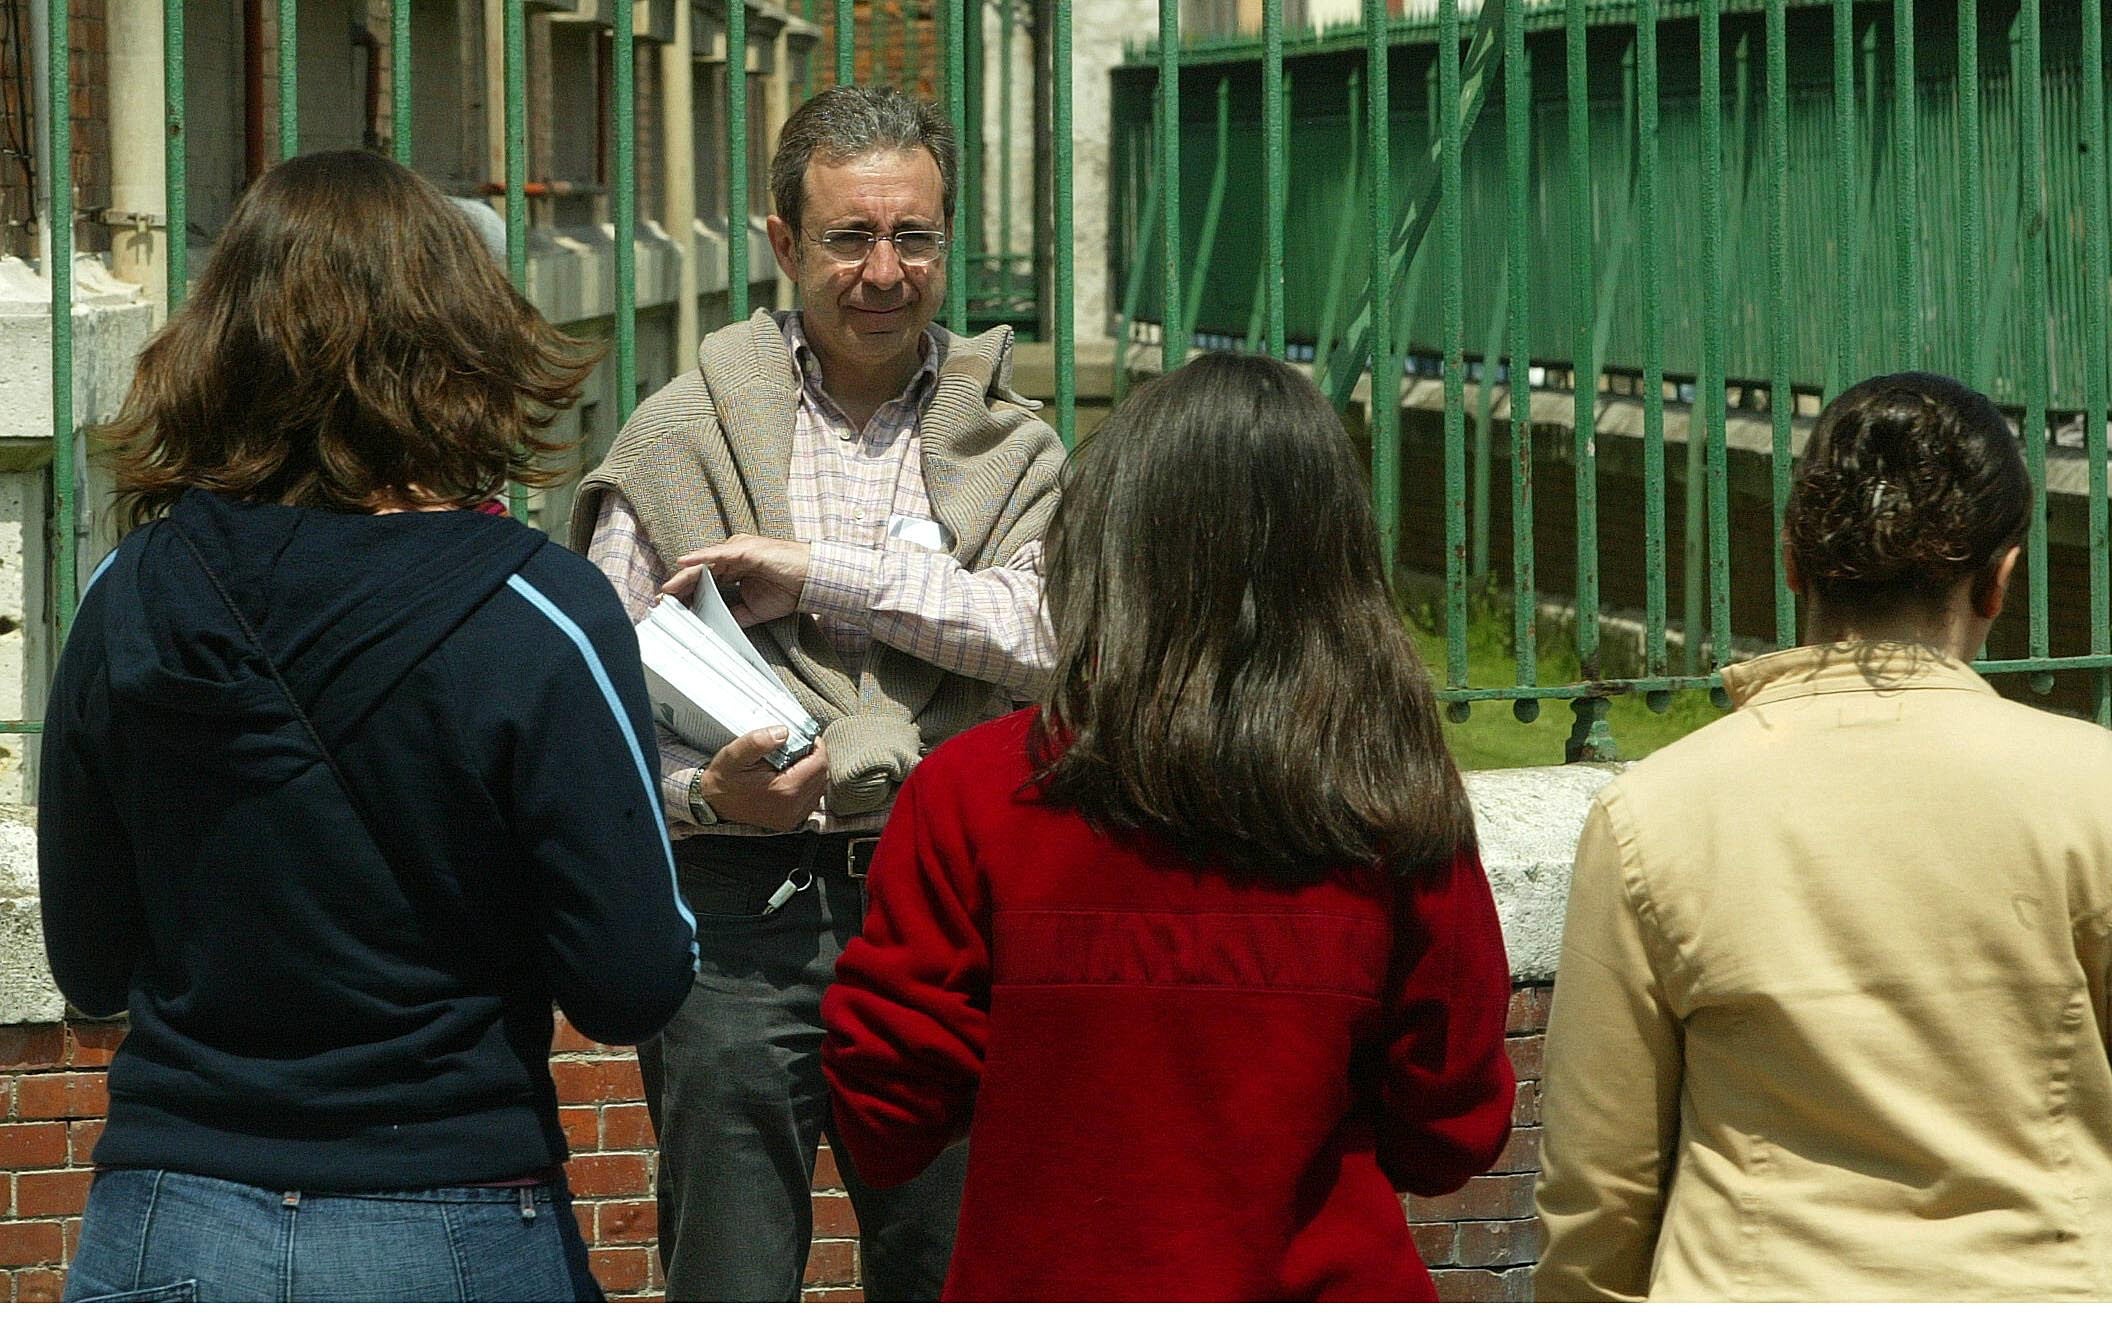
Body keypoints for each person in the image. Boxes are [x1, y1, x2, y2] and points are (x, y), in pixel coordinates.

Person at [40, 149, 699, 1303]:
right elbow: (634, 980)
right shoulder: (536, 613)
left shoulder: (127, 591)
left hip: (170, 1214)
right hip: (448, 1206)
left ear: (225, 339)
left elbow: (89, 963)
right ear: (459, 336)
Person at [819, 353, 1517, 1301]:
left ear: (1105, 542)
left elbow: (883, 1113)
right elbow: (1451, 1129)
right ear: (1338, 561)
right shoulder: (1391, 800)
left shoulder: (973, 796)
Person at [569, 84, 1063, 1302]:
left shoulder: (1018, 445)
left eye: (915, 238)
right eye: (850, 237)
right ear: (784, 242)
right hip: (740, 916)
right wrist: (705, 796)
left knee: (957, 1276)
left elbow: (1054, 636)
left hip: (955, 910)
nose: (884, 271)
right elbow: (600, 705)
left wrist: (817, 575)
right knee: (731, 1278)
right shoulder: (677, 443)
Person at [1534, 372, 2112, 1301]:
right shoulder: (2095, 793)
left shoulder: (1656, 811)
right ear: (2001, 579)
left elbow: (1599, 1187)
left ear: (1793, 559)